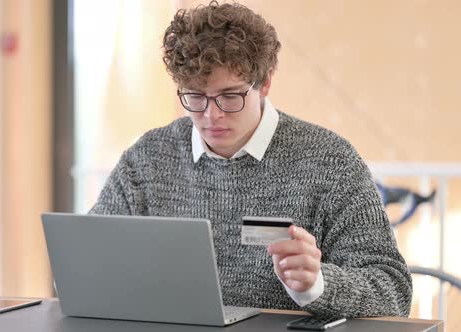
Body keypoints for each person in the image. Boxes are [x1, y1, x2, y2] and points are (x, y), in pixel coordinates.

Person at [90, 1, 412, 318]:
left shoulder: (330, 162)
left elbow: (393, 292)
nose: (211, 115)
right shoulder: (146, 160)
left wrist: (318, 284)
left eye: (230, 96)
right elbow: (83, 267)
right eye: (195, 97)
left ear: (266, 82)